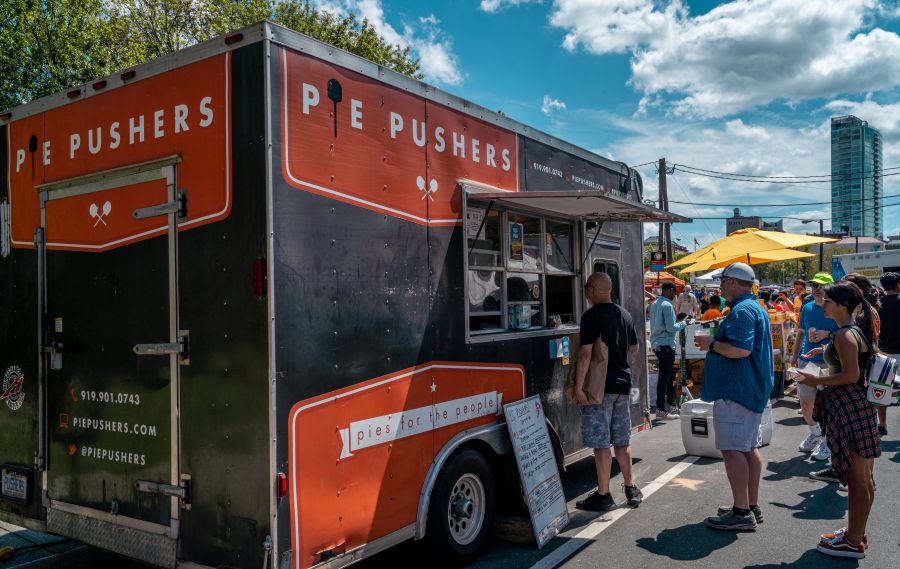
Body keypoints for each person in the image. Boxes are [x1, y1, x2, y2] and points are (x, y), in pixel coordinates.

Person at [796, 281, 881, 559]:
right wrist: (822, 354)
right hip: (856, 406)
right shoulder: (850, 331)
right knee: (862, 478)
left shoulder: (846, 333)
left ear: (843, 305)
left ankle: (853, 541)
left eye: (828, 300)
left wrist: (814, 379)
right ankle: (856, 534)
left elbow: (851, 375)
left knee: (858, 480)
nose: (823, 303)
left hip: (850, 407)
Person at [694, 263, 773, 531]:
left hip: (736, 391)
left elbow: (740, 350)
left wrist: (711, 344)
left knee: (733, 450)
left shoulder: (742, 310)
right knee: (748, 448)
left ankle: (742, 512)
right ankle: (749, 505)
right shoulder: (753, 308)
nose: (720, 285)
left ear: (733, 282)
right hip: (748, 390)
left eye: (723, 280)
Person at [574, 272, 643, 511]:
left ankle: (604, 494)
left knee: (601, 443)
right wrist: (620, 363)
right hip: (622, 386)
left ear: (593, 289)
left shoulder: (591, 316)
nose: (585, 292)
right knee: (622, 440)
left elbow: (584, 355)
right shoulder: (624, 314)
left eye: (586, 288)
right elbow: (634, 348)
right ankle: (631, 487)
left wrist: (578, 387)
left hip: (599, 388)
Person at [790, 273, 837, 467]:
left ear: (830, 287)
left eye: (821, 285)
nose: (816, 288)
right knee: (806, 401)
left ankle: (827, 441)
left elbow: (849, 332)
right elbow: (801, 332)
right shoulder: (807, 307)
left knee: (829, 406)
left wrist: (829, 333)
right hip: (806, 361)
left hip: (830, 363)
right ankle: (816, 434)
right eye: (814, 285)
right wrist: (794, 355)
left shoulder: (836, 308)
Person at [649, 281, 686, 419]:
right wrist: (684, 323)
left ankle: (672, 405)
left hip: (657, 344)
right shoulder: (667, 305)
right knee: (664, 378)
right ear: (670, 290)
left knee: (669, 376)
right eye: (674, 293)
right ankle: (660, 410)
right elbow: (671, 328)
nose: (675, 296)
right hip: (666, 344)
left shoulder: (654, 304)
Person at [876, 272, 900, 437]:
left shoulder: (878, 304)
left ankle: (882, 425)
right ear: (898, 285)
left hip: (882, 352)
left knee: (881, 391)